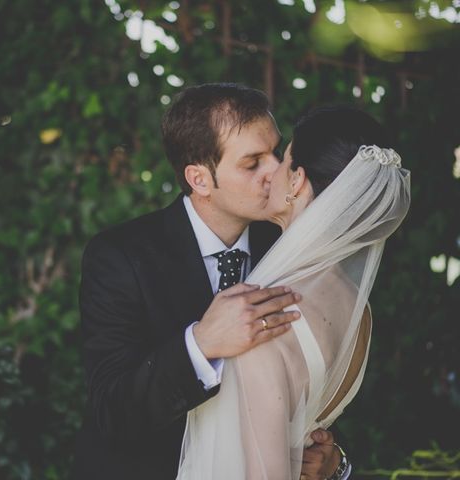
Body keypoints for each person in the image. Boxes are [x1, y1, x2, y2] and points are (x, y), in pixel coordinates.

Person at [70, 84, 349, 480]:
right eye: (252, 164)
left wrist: (335, 461)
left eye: (276, 152)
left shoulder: (292, 248)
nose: (276, 171)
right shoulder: (120, 256)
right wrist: (200, 345)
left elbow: (320, 376)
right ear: (200, 179)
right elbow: (112, 409)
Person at [176, 107, 410, 479]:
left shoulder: (262, 316)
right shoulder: (359, 310)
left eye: (282, 159)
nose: (272, 172)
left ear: (298, 181)